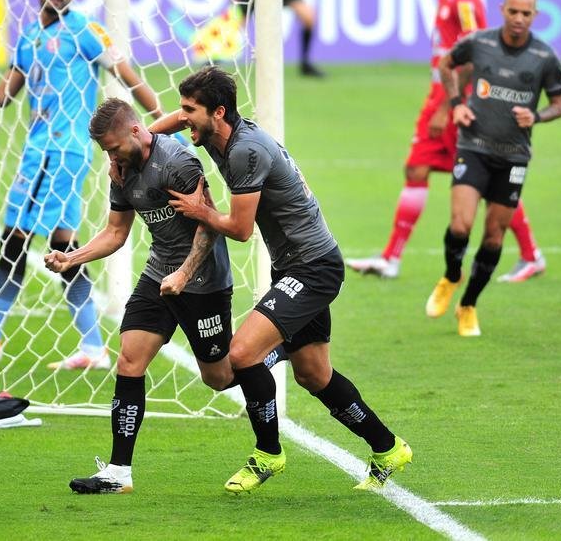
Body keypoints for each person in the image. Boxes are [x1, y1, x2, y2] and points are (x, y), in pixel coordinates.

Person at [159, 66, 411, 493]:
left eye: (190, 110)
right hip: (294, 265)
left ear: (218, 112)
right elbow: (177, 120)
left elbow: (239, 230)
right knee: (314, 375)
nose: (183, 118)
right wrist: (138, 141)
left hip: (313, 268)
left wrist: (201, 211)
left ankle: (267, 455)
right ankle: (389, 449)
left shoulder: (245, 151)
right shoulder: (221, 132)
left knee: (240, 354)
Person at [0, 0, 168, 370]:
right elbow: (7, 94)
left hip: (65, 150)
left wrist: (163, 121)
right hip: (37, 150)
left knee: (17, 239)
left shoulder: (86, 30)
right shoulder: (27, 37)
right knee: (61, 244)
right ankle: (91, 346)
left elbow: (129, 76)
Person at [45, 98, 234, 494]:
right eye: (105, 151)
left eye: (113, 147)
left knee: (220, 377)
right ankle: (119, 472)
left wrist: (184, 274)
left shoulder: (178, 163)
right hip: (158, 275)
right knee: (130, 359)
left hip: (203, 280)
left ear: (135, 130)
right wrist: (70, 258)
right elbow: (116, 233)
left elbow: (209, 226)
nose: (111, 158)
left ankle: (274, 348)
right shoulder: (122, 171)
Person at [345, 0, 547, 282]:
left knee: (485, 180)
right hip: (441, 97)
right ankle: (391, 257)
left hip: (461, 105)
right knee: (416, 169)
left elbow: (476, 58)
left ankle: (531, 255)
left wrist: (446, 106)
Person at [426, 0, 561, 337]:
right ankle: (451, 275)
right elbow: (447, 64)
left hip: (514, 157)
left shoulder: (544, 58)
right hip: (473, 147)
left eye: (526, 13)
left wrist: (537, 116)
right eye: (513, 12)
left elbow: (559, 104)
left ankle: (469, 304)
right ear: (503, 10)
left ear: (534, 15)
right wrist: (457, 103)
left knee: (493, 237)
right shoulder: (480, 42)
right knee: (460, 225)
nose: (519, 19)